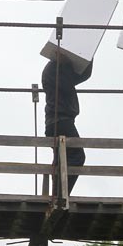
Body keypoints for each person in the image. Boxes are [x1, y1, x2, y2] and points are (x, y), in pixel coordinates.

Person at [42, 55, 92, 195]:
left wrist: (89, 57)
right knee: (77, 156)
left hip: (58, 121)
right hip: (60, 121)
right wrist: (79, 59)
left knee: (62, 159)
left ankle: (59, 194)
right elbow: (73, 79)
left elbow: (82, 76)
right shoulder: (53, 70)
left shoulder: (57, 70)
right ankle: (61, 195)